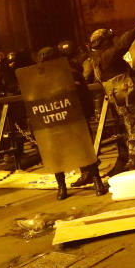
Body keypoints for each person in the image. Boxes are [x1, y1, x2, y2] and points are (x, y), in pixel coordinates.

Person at [83, 11, 135, 175]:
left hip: (120, 99)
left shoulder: (95, 59)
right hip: (128, 98)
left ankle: (131, 161)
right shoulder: (108, 56)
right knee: (134, 131)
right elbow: (122, 45)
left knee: (132, 129)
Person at [34, 47, 107, 200]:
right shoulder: (44, 78)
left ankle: (89, 182)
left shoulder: (68, 74)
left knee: (77, 152)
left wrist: (85, 114)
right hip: (62, 120)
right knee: (60, 154)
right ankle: (71, 185)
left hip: (67, 119)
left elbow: (83, 95)